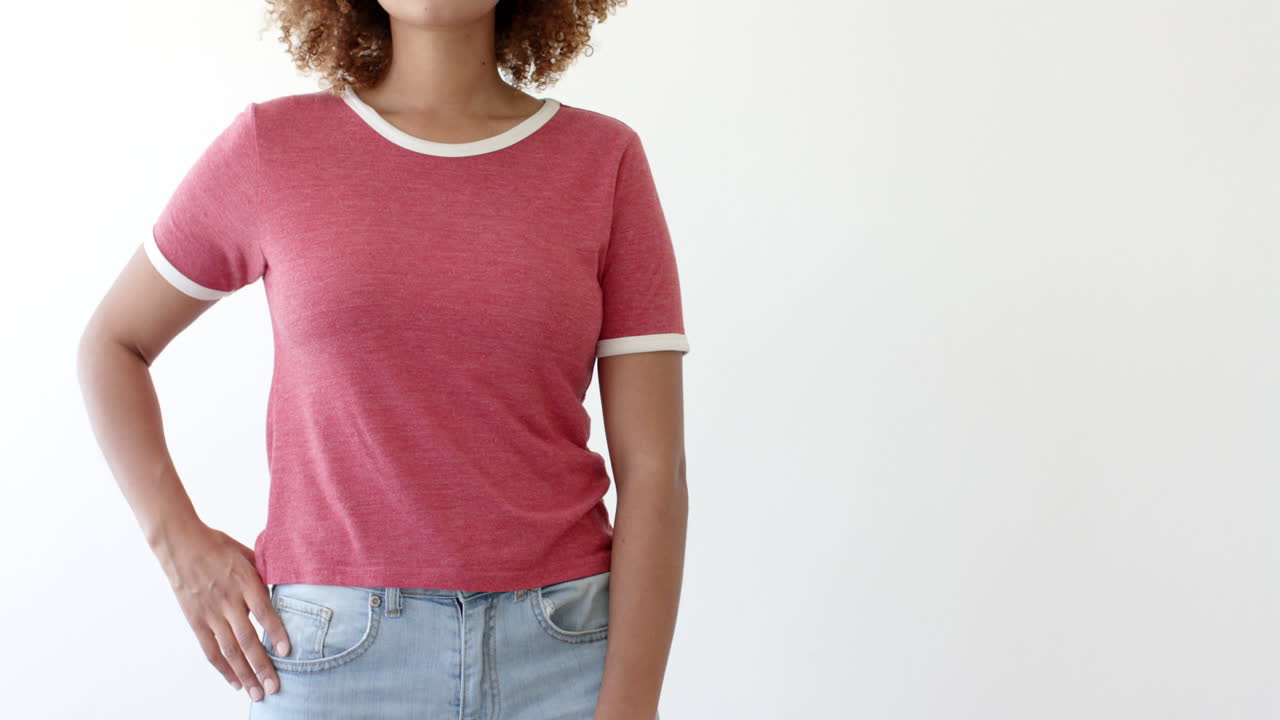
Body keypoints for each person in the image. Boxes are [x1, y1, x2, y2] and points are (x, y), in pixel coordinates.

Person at [75, 1, 688, 717]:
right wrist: (180, 550)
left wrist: (630, 706)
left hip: (561, 657)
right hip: (332, 659)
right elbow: (112, 346)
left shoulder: (603, 162)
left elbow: (654, 469)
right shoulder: (273, 147)